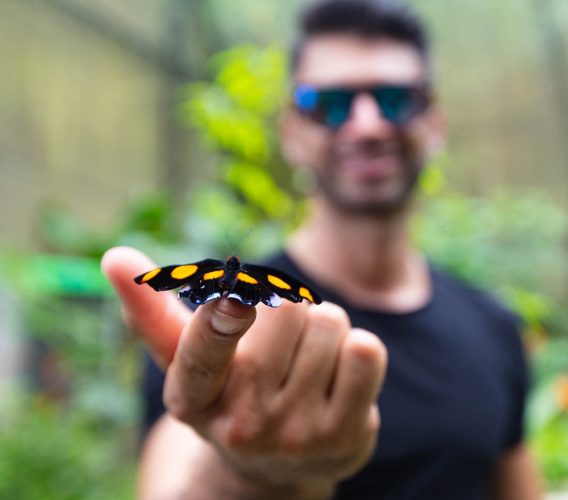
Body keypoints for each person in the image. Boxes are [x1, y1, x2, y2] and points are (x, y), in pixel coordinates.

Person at [101, 0, 543, 498]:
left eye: (397, 99)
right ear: (292, 133)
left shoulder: (495, 326)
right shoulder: (203, 320)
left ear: (435, 123)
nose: (368, 124)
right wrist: (245, 471)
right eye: (330, 104)